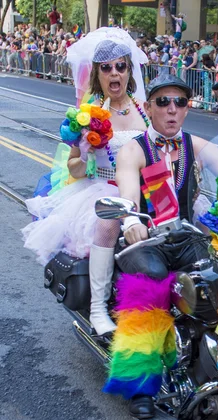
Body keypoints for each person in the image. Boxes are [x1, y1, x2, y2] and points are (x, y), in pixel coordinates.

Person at [105, 74, 218, 417]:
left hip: (189, 235)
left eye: (180, 102)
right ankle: (139, 384)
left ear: (187, 109)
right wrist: (131, 220)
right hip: (148, 240)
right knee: (151, 277)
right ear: (148, 108)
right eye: (163, 102)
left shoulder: (198, 146)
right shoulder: (135, 149)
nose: (172, 109)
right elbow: (128, 189)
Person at [22, 31, 149, 339]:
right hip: (104, 188)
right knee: (107, 226)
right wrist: (87, 151)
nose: (114, 73)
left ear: (130, 72)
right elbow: (76, 170)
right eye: (106, 68)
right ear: (97, 74)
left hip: (145, 187)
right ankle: (98, 310)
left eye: (120, 66)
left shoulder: (145, 108)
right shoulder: (89, 113)